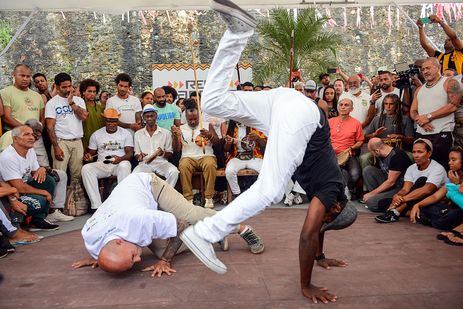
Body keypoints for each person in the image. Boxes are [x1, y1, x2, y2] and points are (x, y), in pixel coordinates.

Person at [179, 0, 357, 304]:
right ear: (337, 206)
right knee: (271, 190)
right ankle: (204, 233)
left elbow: (318, 230)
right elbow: (307, 235)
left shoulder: (330, 197)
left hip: (284, 102)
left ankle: (238, 32)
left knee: (213, 104)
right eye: (329, 216)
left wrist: (321, 256)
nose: (322, 218)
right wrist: (307, 285)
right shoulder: (331, 190)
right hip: (302, 116)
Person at [72, 173, 264, 274]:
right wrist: (103, 260)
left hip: (147, 185)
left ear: (120, 242)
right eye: (132, 262)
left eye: (132, 257)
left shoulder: (138, 219)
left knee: (191, 214)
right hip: (130, 205)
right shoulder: (91, 236)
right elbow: (106, 251)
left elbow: (181, 224)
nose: (139, 260)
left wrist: (165, 261)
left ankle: (239, 228)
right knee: (158, 250)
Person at [0, 126, 59, 231]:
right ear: (15, 139)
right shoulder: (8, 156)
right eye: (26, 134)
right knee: (39, 201)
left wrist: (41, 169)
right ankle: (16, 224)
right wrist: (44, 192)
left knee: (48, 180)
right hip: (9, 195)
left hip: (22, 188)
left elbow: (36, 173)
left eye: (32, 134)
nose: (32, 137)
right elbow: (20, 187)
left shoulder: (30, 150)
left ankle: (38, 220)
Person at [375, 138, 446, 223]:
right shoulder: (411, 168)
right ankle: (412, 212)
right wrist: (398, 196)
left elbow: (427, 190)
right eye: (414, 152)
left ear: (429, 153)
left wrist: (402, 200)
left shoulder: (437, 168)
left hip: (430, 200)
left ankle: (395, 212)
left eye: (420, 152)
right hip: (412, 199)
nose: (416, 155)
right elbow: (406, 189)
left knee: (422, 180)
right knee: (382, 203)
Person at [410, 57, 461, 170]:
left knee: (444, 167)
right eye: (423, 69)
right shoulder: (419, 89)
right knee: (423, 169)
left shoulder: (450, 82)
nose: (425, 71)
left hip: (442, 133)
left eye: (428, 68)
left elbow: (453, 105)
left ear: (438, 67)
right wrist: (420, 120)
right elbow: (413, 111)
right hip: (421, 134)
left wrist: (428, 117)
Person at [82, 108, 133, 210]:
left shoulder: (125, 133)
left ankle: (122, 202)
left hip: (119, 164)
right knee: (86, 169)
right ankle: (96, 206)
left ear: (117, 121)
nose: (111, 123)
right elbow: (90, 154)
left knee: (125, 165)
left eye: (114, 121)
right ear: (104, 120)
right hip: (103, 164)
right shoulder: (96, 134)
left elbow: (130, 153)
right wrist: (88, 157)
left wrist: (121, 158)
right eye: (108, 120)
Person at [172, 99, 219, 208]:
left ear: (200, 116)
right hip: (188, 157)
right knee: (183, 165)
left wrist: (210, 136)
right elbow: (176, 150)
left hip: (206, 155)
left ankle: (208, 198)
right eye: (190, 119)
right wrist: (175, 137)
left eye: (195, 119)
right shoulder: (181, 128)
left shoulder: (207, 125)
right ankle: (188, 199)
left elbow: (217, 142)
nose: (193, 121)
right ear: (186, 118)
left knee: (210, 164)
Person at [45, 73, 88, 184]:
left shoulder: (79, 100)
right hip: (61, 142)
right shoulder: (52, 103)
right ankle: (60, 201)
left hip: (77, 141)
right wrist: (56, 147)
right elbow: (50, 127)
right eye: (64, 87)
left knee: (77, 175)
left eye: (69, 86)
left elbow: (84, 117)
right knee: (59, 175)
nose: (68, 89)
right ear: (57, 86)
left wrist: (72, 103)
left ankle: (74, 199)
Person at [409, 147, 463, 230]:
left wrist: (457, 184)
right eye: (449, 159)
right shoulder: (453, 176)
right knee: (428, 207)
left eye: (453, 160)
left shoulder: (454, 179)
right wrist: (418, 204)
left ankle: (432, 222)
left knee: (455, 214)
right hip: (451, 210)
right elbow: (436, 196)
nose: (449, 162)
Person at [133, 104, 179, 186]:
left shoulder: (166, 133)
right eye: (147, 117)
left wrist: (163, 153)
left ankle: (165, 192)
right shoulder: (138, 134)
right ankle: (145, 197)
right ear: (143, 118)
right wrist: (139, 156)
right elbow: (136, 153)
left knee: (174, 172)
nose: (150, 118)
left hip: (161, 163)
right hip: (145, 164)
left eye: (152, 116)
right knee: (135, 174)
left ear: (156, 116)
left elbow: (170, 153)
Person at [362, 138, 412, 211]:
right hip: (389, 182)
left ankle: (374, 199)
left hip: (401, 187)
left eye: (371, 152)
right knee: (368, 170)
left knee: (371, 203)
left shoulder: (397, 156)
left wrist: (371, 194)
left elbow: (391, 182)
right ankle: (376, 197)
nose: (372, 155)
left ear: (377, 151)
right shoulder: (382, 155)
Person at [0, 64, 45, 131]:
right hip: (14, 135)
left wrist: (38, 131)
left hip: (36, 136)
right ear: (14, 75)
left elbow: (42, 118)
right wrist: (28, 130)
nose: (25, 79)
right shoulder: (5, 92)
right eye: (22, 75)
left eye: (28, 76)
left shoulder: (37, 96)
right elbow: (6, 118)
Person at [81, 79, 104, 149]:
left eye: (94, 92)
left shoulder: (101, 108)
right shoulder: (80, 108)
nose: (92, 94)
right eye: (89, 91)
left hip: (101, 143)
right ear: (83, 92)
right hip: (86, 143)